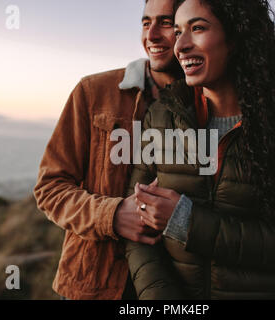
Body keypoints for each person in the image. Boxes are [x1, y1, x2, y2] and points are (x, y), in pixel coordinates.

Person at [126, 0, 275, 299]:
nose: (180, 45)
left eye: (197, 28)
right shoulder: (160, 115)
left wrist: (187, 222)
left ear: (237, 37)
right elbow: (137, 225)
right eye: (179, 30)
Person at [33, 0, 182, 300]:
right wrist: (111, 215)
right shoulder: (93, 92)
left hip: (175, 288)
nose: (151, 35)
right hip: (92, 287)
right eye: (145, 22)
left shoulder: (214, 101)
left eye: (165, 22)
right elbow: (49, 189)